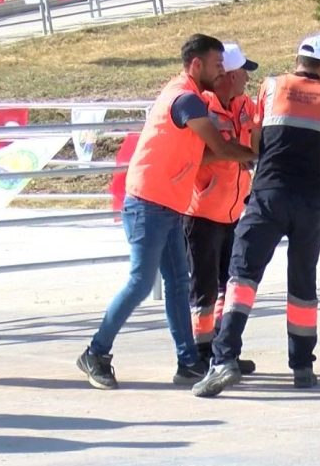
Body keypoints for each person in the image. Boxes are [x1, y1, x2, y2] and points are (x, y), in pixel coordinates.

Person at [77, 33, 256, 390]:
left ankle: (188, 362)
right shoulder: (185, 100)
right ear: (196, 65)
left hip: (169, 205)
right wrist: (258, 155)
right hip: (148, 203)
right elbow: (220, 148)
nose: (222, 72)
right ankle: (95, 352)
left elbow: (205, 154)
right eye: (217, 65)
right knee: (141, 282)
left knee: (177, 284)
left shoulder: (191, 96)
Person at [192, 33, 320, 398]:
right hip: (310, 203)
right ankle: (302, 367)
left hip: (268, 196)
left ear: (299, 61)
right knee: (303, 283)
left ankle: (224, 360)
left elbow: (254, 142)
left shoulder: (270, 87)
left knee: (242, 276)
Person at [184, 42, 259, 376]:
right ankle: (200, 353)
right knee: (203, 288)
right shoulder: (203, 107)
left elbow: (259, 137)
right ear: (228, 75)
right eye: (243, 71)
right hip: (202, 212)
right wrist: (236, 153)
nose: (247, 78)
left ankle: (222, 350)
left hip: (234, 211)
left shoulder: (245, 105)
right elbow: (195, 157)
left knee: (228, 285)